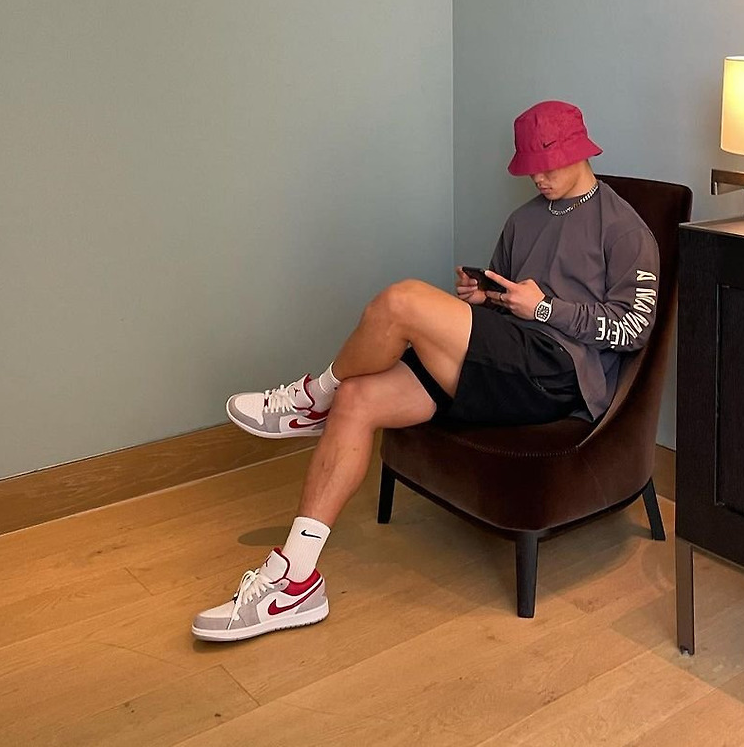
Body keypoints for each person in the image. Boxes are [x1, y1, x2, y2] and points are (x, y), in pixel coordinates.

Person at [192, 100, 660, 642]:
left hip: (559, 373)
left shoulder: (623, 228)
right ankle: (295, 580)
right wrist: (485, 297)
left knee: (402, 302)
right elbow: (507, 302)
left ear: (580, 151)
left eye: (547, 166)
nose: (538, 178)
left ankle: (312, 395)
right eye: (529, 168)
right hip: (507, 359)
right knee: (358, 401)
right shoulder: (525, 219)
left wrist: (545, 309)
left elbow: (633, 329)